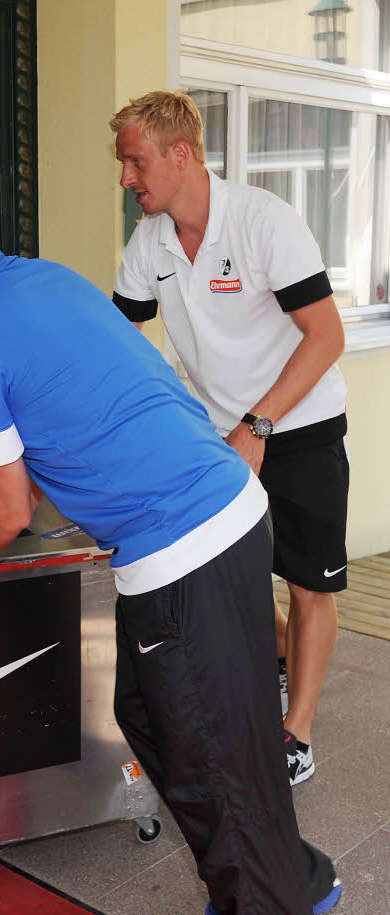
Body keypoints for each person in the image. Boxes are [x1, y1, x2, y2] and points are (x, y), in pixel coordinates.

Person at [0, 149, 341, 915]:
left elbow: (4, 510)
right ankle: (289, 878)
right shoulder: (42, 281)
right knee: (171, 719)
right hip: (229, 511)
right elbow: (60, 432)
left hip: (182, 542)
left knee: (208, 757)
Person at [110, 91, 349, 787]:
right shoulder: (149, 240)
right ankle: (277, 659)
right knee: (235, 576)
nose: (126, 176)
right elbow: (116, 337)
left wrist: (258, 424)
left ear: (178, 154)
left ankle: (294, 733)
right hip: (218, 438)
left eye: (135, 160)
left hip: (296, 428)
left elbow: (326, 336)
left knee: (308, 585)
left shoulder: (261, 222)